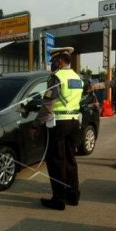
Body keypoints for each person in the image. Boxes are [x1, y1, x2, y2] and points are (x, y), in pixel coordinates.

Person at [29, 47, 83, 210]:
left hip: (59, 124)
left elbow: (47, 105)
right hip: (74, 122)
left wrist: (35, 124)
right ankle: (73, 196)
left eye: (53, 61)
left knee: (57, 162)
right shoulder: (77, 77)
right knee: (70, 160)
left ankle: (59, 200)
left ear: (60, 61)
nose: (52, 64)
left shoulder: (56, 78)